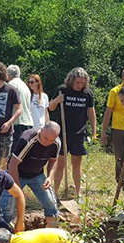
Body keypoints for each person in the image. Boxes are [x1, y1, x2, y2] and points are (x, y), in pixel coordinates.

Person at [1, 122, 61, 228]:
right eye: (46, 138)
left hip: (37, 175)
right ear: (41, 130)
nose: (47, 142)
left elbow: (53, 160)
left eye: (51, 140)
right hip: (16, 174)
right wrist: (18, 189)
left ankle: (52, 230)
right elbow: (12, 165)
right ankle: (3, 231)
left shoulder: (56, 143)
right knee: (7, 207)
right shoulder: (27, 139)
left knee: (51, 203)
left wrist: (49, 177)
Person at [49, 67, 97, 200]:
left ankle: (78, 193)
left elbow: (91, 112)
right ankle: (55, 193)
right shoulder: (62, 90)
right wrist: (57, 100)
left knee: (77, 163)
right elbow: (51, 107)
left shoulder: (87, 93)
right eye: (77, 82)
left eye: (82, 83)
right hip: (63, 132)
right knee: (60, 163)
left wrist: (94, 131)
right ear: (71, 81)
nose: (79, 85)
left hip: (79, 133)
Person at [7, 65, 33, 146]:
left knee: (15, 150)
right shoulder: (25, 86)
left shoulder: (11, 85)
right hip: (28, 122)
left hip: (17, 123)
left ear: (9, 75)